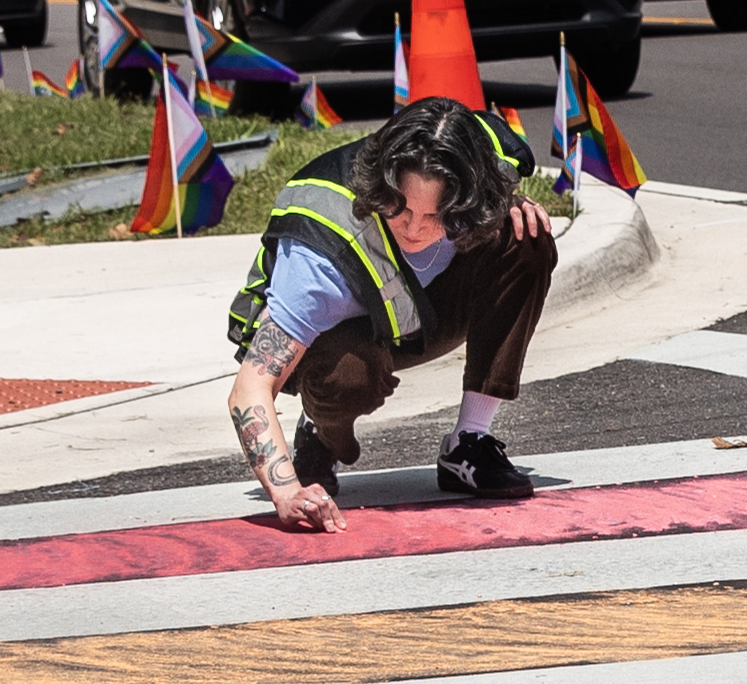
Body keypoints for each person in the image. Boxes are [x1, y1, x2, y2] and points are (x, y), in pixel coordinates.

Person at [223, 96, 556, 528]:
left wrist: (503, 207)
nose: (416, 230)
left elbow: (494, 189)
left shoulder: (489, 157)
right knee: (350, 376)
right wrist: (287, 494)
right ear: (384, 186)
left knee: (525, 236)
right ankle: (319, 428)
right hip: (338, 344)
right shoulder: (318, 258)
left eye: (438, 216)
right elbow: (248, 390)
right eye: (401, 209)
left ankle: (469, 441)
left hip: (416, 310)